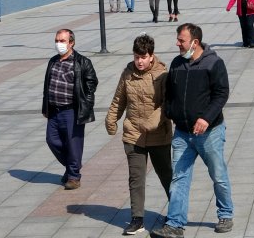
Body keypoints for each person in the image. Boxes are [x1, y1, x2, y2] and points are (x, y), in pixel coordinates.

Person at [152, 24, 234, 238]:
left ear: (195, 42)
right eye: (178, 39)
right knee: (179, 177)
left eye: (181, 40)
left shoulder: (214, 63)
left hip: (210, 133)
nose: (177, 43)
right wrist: (171, 111)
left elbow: (221, 94)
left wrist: (206, 118)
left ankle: (225, 213)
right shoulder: (177, 64)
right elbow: (169, 93)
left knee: (218, 174)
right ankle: (175, 225)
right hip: (182, 133)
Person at [105, 34, 172, 236]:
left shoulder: (163, 73)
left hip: (158, 134)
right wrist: (111, 119)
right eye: (136, 57)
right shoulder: (127, 73)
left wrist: (154, 120)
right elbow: (119, 99)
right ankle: (137, 219)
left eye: (143, 57)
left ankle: (176, 212)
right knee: (136, 178)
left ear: (151, 56)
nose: (139, 61)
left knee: (166, 175)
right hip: (133, 133)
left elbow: (168, 103)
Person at [42, 29, 98, 190]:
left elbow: (91, 83)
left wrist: (86, 104)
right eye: (57, 40)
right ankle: (72, 166)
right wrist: (45, 106)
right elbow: (47, 85)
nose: (58, 44)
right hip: (53, 110)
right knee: (52, 140)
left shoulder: (82, 62)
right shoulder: (53, 61)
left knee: (74, 144)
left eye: (62, 41)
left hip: (72, 110)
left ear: (71, 43)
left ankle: (74, 176)